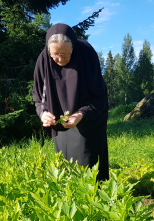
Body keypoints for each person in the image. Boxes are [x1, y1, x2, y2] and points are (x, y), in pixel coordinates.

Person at [33, 23, 109, 181]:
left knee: (88, 166)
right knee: (64, 166)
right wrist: (43, 114)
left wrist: (81, 114)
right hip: (60, 124)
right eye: (55, 54)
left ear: (73, 48)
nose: (59, 59)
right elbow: (38, 96)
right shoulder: (44, 60)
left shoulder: (87, 55)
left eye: (65, 54)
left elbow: (99, 97)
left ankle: (95, 202)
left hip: (89, 120)